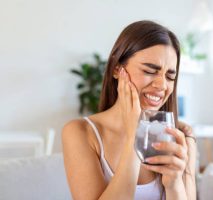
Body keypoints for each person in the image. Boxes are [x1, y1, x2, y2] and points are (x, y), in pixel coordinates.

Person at [62, 20, 197, 200]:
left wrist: (174, 185)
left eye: (170, 76)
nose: (162, 85)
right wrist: (134, 134)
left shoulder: (182, 136)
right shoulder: (81, 132)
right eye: (150, 71)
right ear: (117, 69)